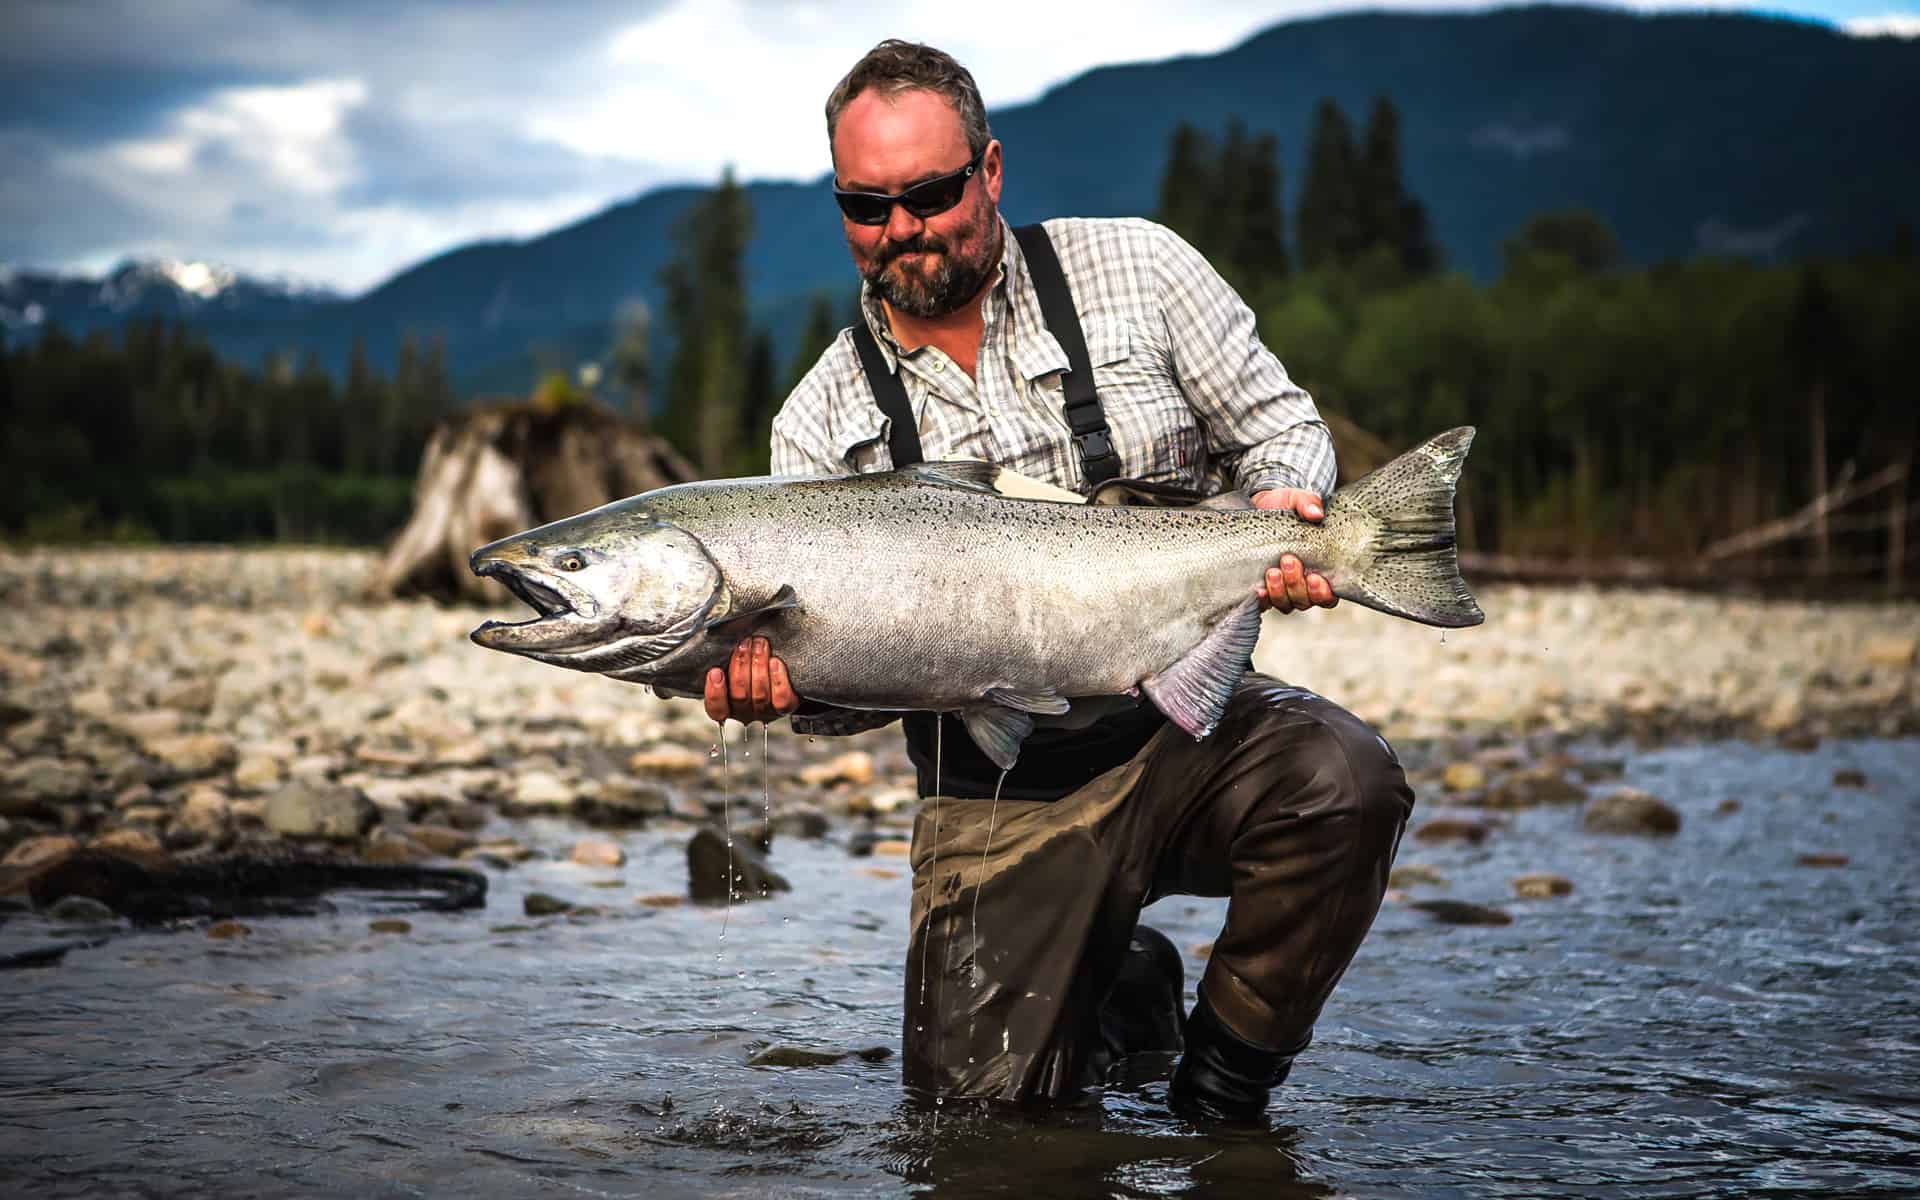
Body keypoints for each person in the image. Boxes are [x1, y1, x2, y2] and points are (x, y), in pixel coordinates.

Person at [702, 39, 1412, 1123]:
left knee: (1347, 783)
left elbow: (1281, 428)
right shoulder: (818, 425)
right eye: (866, 204)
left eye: (931, 193)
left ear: (989, 171)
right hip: (997, 796)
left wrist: (1288, 512)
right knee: (977, 1143)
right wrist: (786, 697)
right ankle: (1119, 977)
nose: (901, 229)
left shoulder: (1140, 270)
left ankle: (1222, 1096)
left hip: (1188, 729)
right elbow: (849, 696)